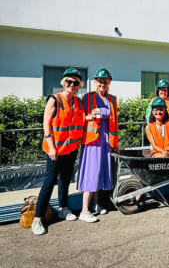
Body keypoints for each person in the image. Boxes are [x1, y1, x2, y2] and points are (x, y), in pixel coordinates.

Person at [32, 68, 85, 235]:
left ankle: (63, 207)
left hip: (70, 149)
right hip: (55, 150)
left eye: (75, 82)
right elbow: (46, 124)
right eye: (69, 81)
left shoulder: (77, 101)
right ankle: (38, 218)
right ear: (64, 83)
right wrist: (52, 147)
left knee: (65, 180)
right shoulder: (54, 100)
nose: (72, 84)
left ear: (78, 86)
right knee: (49, 182)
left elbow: (81, 120)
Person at [78, 67, 118, 222]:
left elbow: (114, 120)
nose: (103, 84)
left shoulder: (112, 99)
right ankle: (84, 210)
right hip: (92, 141)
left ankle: (96, 204)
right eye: (100, 81)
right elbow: (81, 117)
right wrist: (92, 116)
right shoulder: (88, 97)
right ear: (95, 82)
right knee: (91, 172)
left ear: (109, 82)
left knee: (101, 172)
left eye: (105, 81)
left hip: (106, 140)